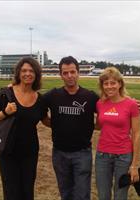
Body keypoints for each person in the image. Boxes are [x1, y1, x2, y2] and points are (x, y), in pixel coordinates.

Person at [0, 57, 47, 200]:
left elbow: (47, 121)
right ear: (18, 73)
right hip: (8, 151)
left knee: (27, 191)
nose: (27, 74)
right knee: (11, 191)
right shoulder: (6, 93)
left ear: (36, 74)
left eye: (31, 71)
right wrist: (5, 112)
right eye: (24, 70)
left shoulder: (40, 99)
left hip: (30, 152)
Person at [42, 56, 100, 200]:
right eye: (65, 73)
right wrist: (51, 123)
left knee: (82, 194)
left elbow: (109, 109)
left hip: (82, 153)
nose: (69, 76)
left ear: (78, 73)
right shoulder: (53, 95)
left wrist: (130, 103)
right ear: (60, 75)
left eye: (72, 72)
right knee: (65, 193)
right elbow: (35, 105)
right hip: (59, 153)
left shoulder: (90, 97)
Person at [95, 67, 140, 200]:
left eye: (113, 83)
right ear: (102, 86)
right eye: (106, 83)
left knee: (120, 195)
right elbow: (98, 125)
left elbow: (136, 134)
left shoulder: (131, 104)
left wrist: (134, 165)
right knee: (103, 195)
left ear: (120, 84)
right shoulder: (100, 104)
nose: (109, 87)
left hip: (123, 156)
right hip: (102, 155)